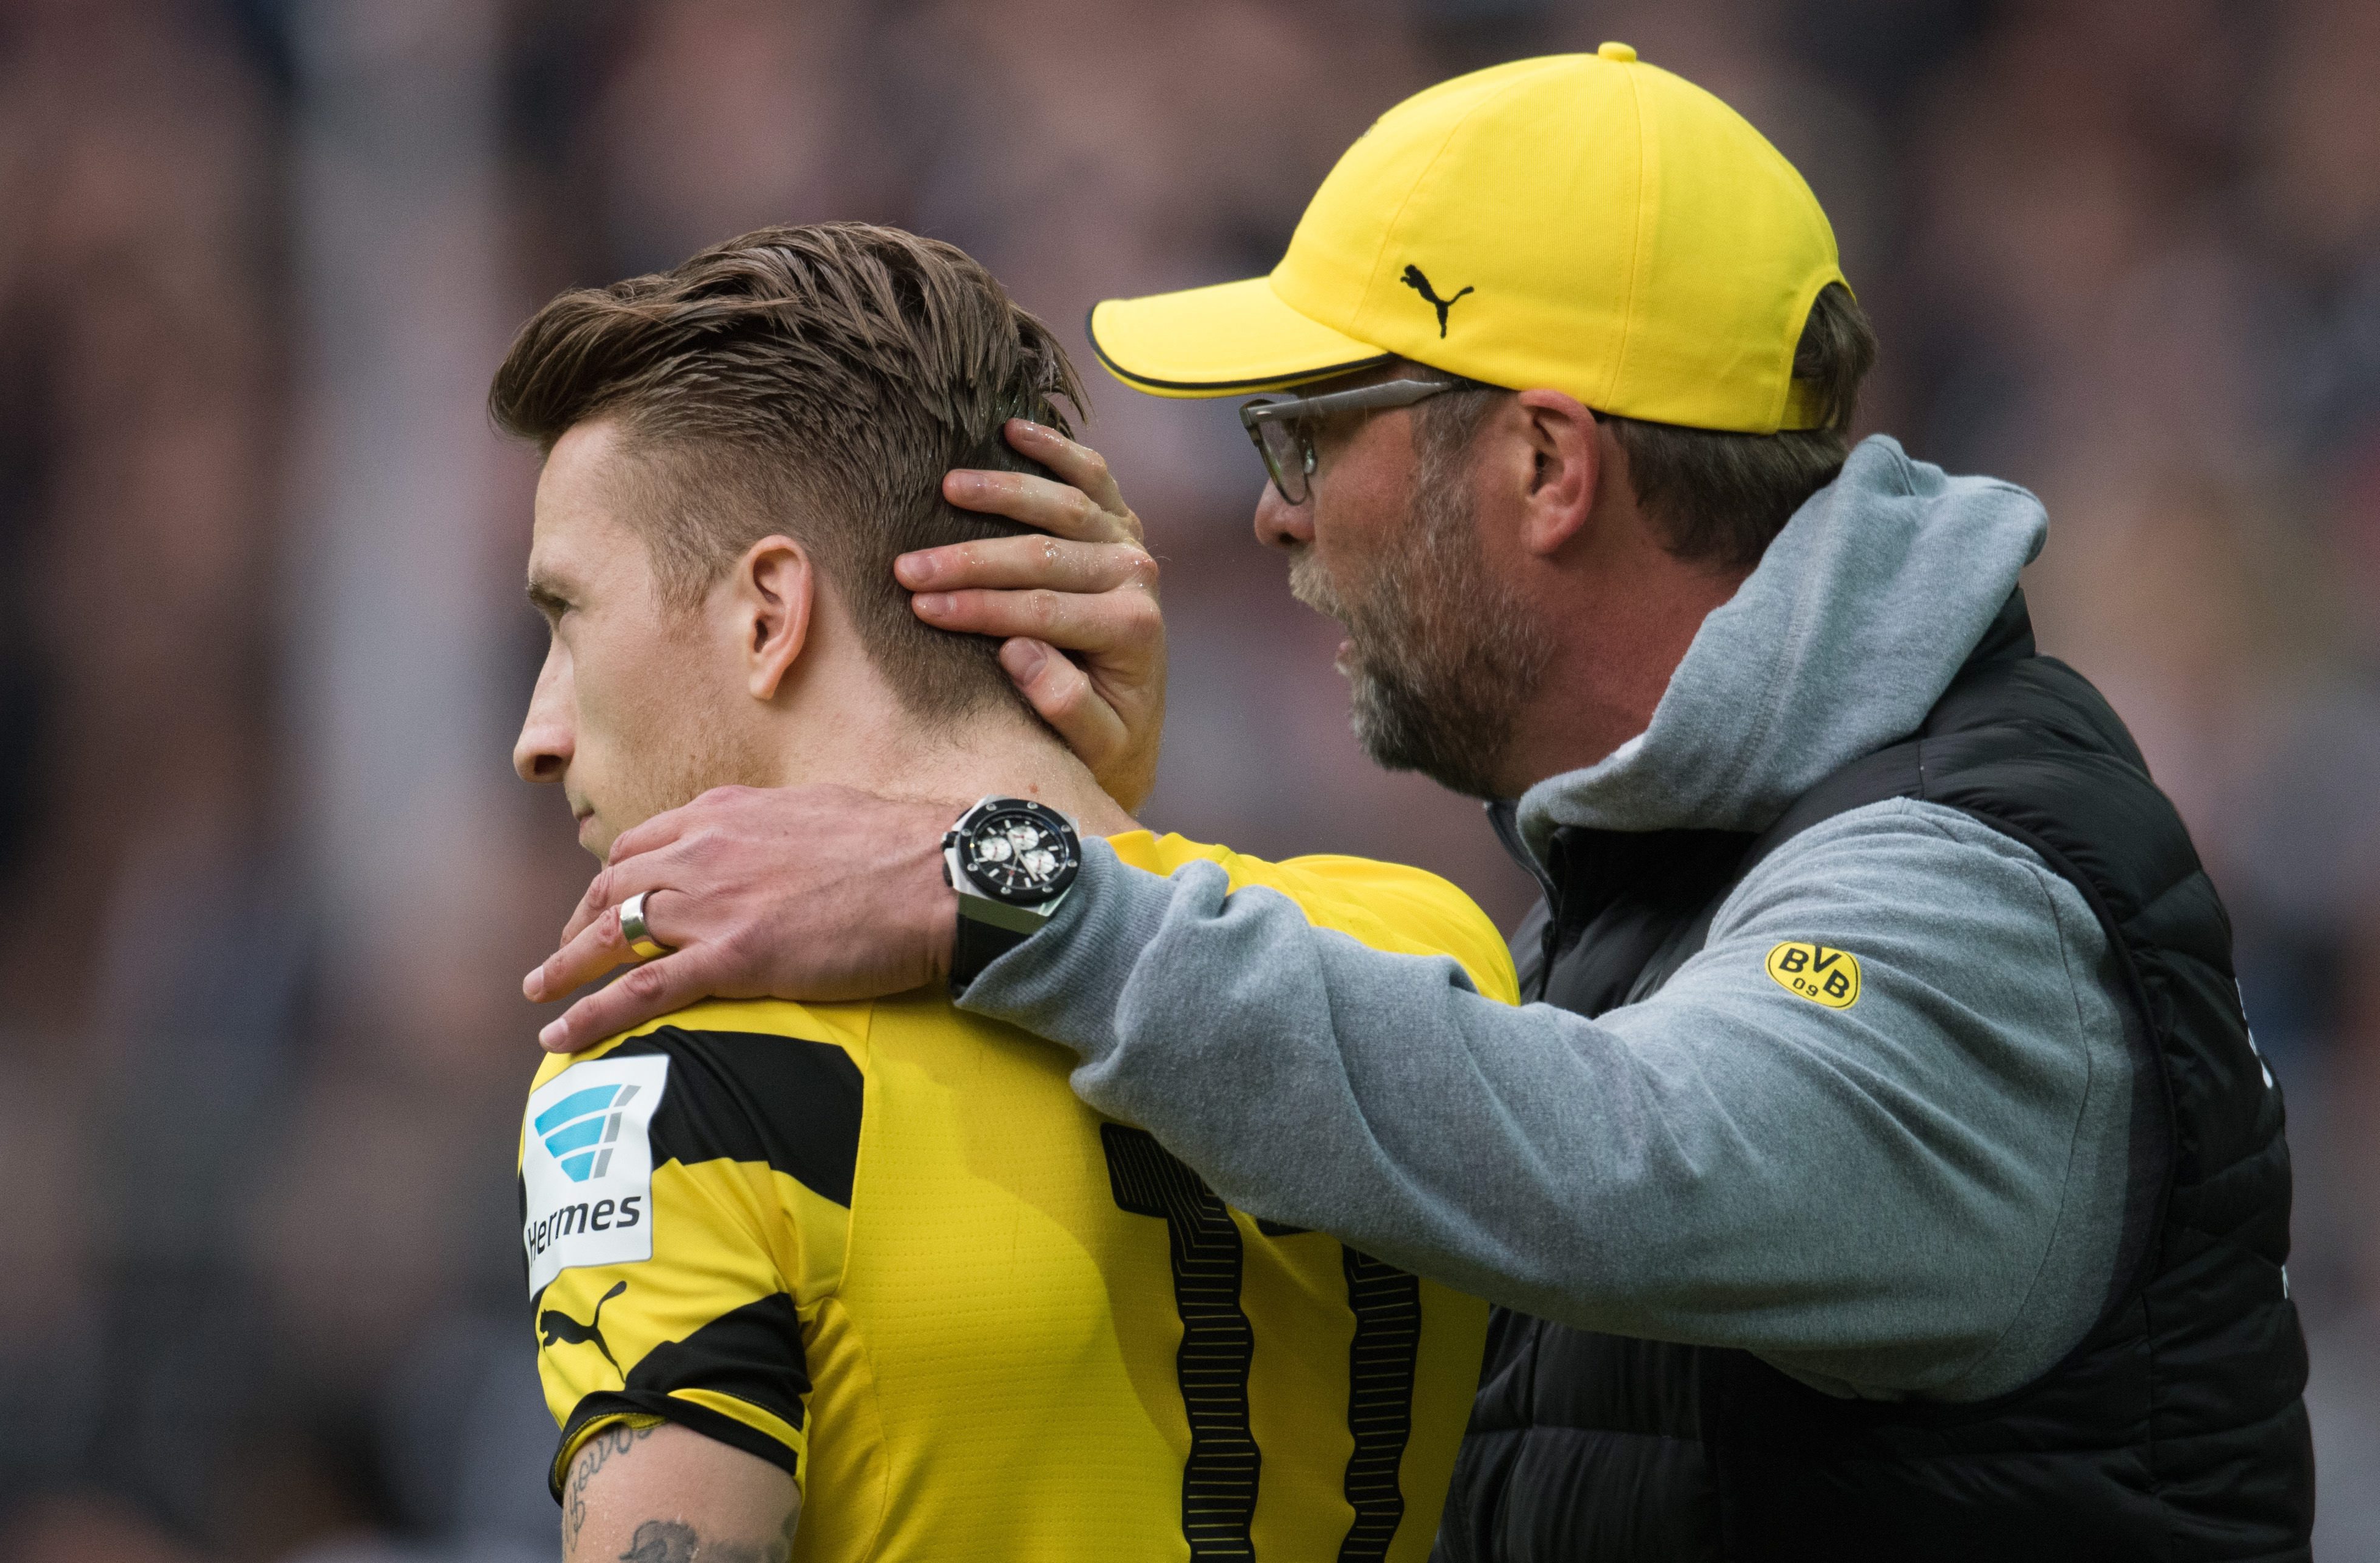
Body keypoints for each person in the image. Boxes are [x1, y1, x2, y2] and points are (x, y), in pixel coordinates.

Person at [520, 49, 2315, 1561]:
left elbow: (1635, 1158)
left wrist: (1010, 874)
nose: (1274, 514)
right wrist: (1086, 814)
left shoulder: (1970, 897)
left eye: (1308, 430)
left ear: (1542, 463)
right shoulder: (1642, 885)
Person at [498, 222, 1519, 1563]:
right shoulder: (1427, 941)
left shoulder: (684, 1069)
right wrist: (1084, 809)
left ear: (768, 613)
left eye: (566, 620)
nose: (538, 735)